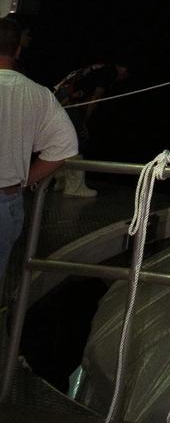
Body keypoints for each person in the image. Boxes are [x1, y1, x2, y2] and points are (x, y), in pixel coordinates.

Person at [0, 17, 78, 281]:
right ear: (18, 50)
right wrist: (26, 179)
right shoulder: (38, 94)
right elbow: (65, 146)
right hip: (5, 200)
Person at [54, 61, 128, 197]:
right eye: (125, 73)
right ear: (122, 68)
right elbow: (96, 96)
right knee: (78, 143)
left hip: (59, 103)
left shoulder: (95, 67)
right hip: (71, 106)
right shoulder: (109, 72)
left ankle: (61, 181)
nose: (123, 77)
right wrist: (85, 121)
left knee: (63, 143)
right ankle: (74, 187)